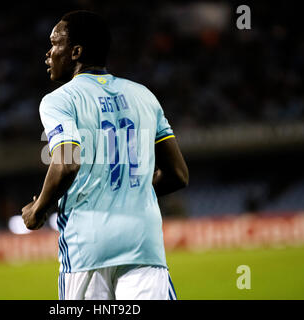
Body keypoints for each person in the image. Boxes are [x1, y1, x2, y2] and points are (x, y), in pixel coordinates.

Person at [21, 10, 188, 300]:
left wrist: (38, 211)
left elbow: (66, 164)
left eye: (54, 44)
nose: (48, 54)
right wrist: (129, 195)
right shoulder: (144, 96)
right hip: (143, 245)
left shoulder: (59, 100)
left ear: (76, 52)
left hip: (86, 249)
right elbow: (178, 175)